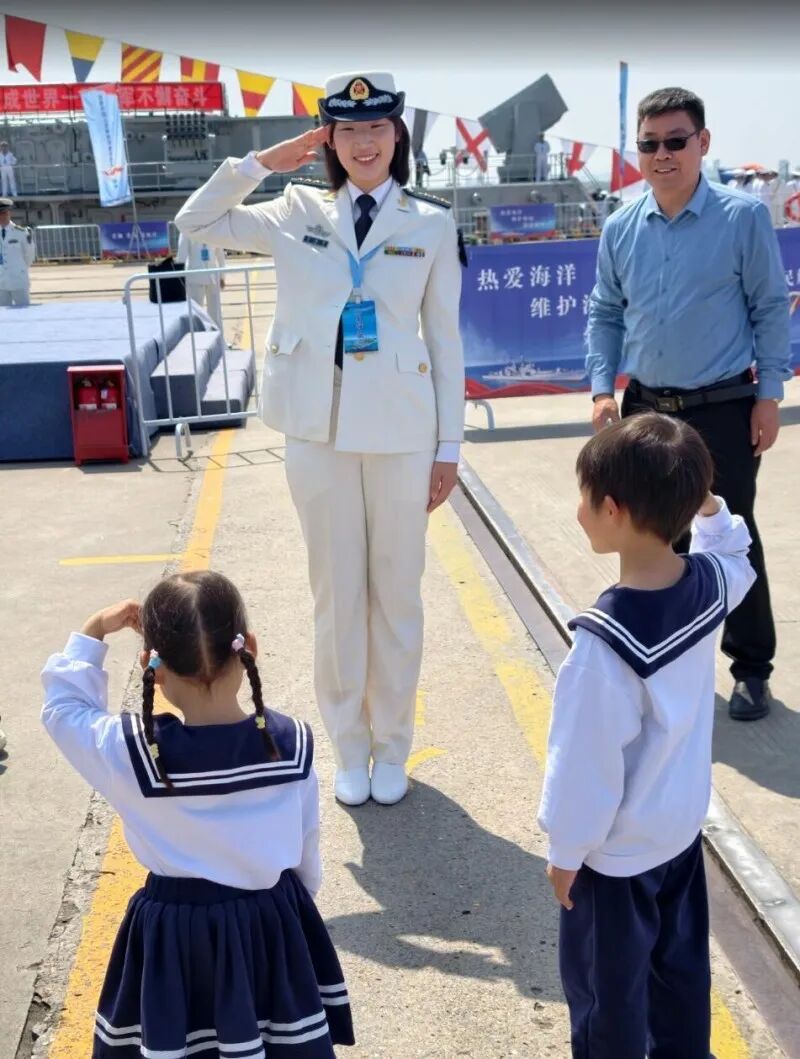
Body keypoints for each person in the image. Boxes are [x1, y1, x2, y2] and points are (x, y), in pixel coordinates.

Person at [175, 72, 465, 807]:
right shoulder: (294, 210)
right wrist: (260, 164)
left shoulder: (431, 224)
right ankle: (349, 746)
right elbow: (196, 222)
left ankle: (392, 744)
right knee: (335, 597)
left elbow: (446, 342)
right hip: (317, 428)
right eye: (348, 130)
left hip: (402, 432)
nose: (364, 143)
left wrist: (449, 448)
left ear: (397, 135)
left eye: (377, 128)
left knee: (396, 596)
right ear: (327, 139)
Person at [41, 570, 355, 1059]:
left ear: (151, 667)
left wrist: (94, 631)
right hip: (269, 925)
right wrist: (291, 915)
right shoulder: (288, 747)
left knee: (182, 1042)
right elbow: (305, 851)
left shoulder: (133, 755)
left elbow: (65, 710)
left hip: (174, 937)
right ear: (249, 647)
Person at [538, 413, 755, 1059]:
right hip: (681, 837)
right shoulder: (708, 588)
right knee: (680, 981)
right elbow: (734, 551)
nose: (579, 511)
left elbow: (583, 769)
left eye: (585, 499)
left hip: (617, 865)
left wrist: (565, 853)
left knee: (608, 1000)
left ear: (613, 510)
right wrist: (705, 501)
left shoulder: (603, 649)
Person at [587, 86, 791, 721]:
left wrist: (769, 395)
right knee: (653, 540)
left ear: (702, 143)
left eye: (676, 141)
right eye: (649, 144)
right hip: (647, 409)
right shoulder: (620, 227)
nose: (663, 154)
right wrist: (601, 389)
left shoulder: (741, 218)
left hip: (723, 407)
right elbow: (605, 312)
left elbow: (768, 308)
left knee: (730, 534)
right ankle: (666, 662)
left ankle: (751, 668)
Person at [175, 231, 226, 331]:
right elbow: (220, 255)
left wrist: (222, 276)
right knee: (211, 312)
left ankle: (203, 336)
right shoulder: (211, 227)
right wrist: (222, 276)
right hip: (206, 276)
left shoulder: (187, 229)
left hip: (201, 277)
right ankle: (215, 336)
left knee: (198, 312)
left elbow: (181, 257)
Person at [0, 197, 35, 307]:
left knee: (24, 311)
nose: (2, 216)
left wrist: (20, 268)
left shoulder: (21, 232)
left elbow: (29, 255)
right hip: (1, 282)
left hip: (18, 280)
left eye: (4, 213)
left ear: (9, 213)